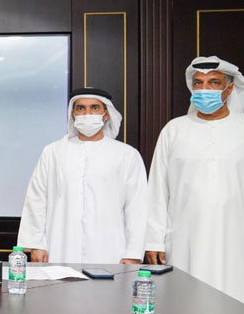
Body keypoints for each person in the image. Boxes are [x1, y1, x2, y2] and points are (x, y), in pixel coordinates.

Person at [145, 55, 244, 313]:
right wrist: (154, 241)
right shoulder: (174, 130)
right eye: (199, 83)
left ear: (229, 88)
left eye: (213, 82)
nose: (205, 89)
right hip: (184, 243)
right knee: (185, 311)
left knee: (241, 311)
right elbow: (158, 190)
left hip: (242, 244)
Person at [17, 87, 147, 264]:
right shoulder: (53, 152)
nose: (87, 114)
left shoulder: (126, 155)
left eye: (95, 108)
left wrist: (133, 253)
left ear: (106, 114)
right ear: (73, 115)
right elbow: (37, 199)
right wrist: (36, 244)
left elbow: (137, 207)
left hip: (110, 251)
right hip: (60, 248)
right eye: (81, 108)